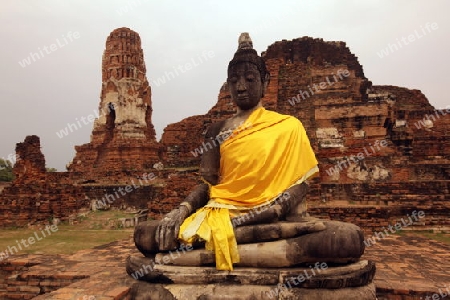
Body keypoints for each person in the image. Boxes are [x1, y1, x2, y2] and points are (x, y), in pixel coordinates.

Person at [135, 33, 319, 271]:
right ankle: (257, 253)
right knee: (146, 234)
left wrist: (276, 208)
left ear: (266, 81)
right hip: (223, 214)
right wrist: (180, 211)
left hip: (269, 216)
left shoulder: (288, 126)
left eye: (250, 79)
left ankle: (190, 257)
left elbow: (301, 183)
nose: (241, 87)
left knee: (343, 241)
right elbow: (208, 185)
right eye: (233, 81)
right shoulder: (217, 129)